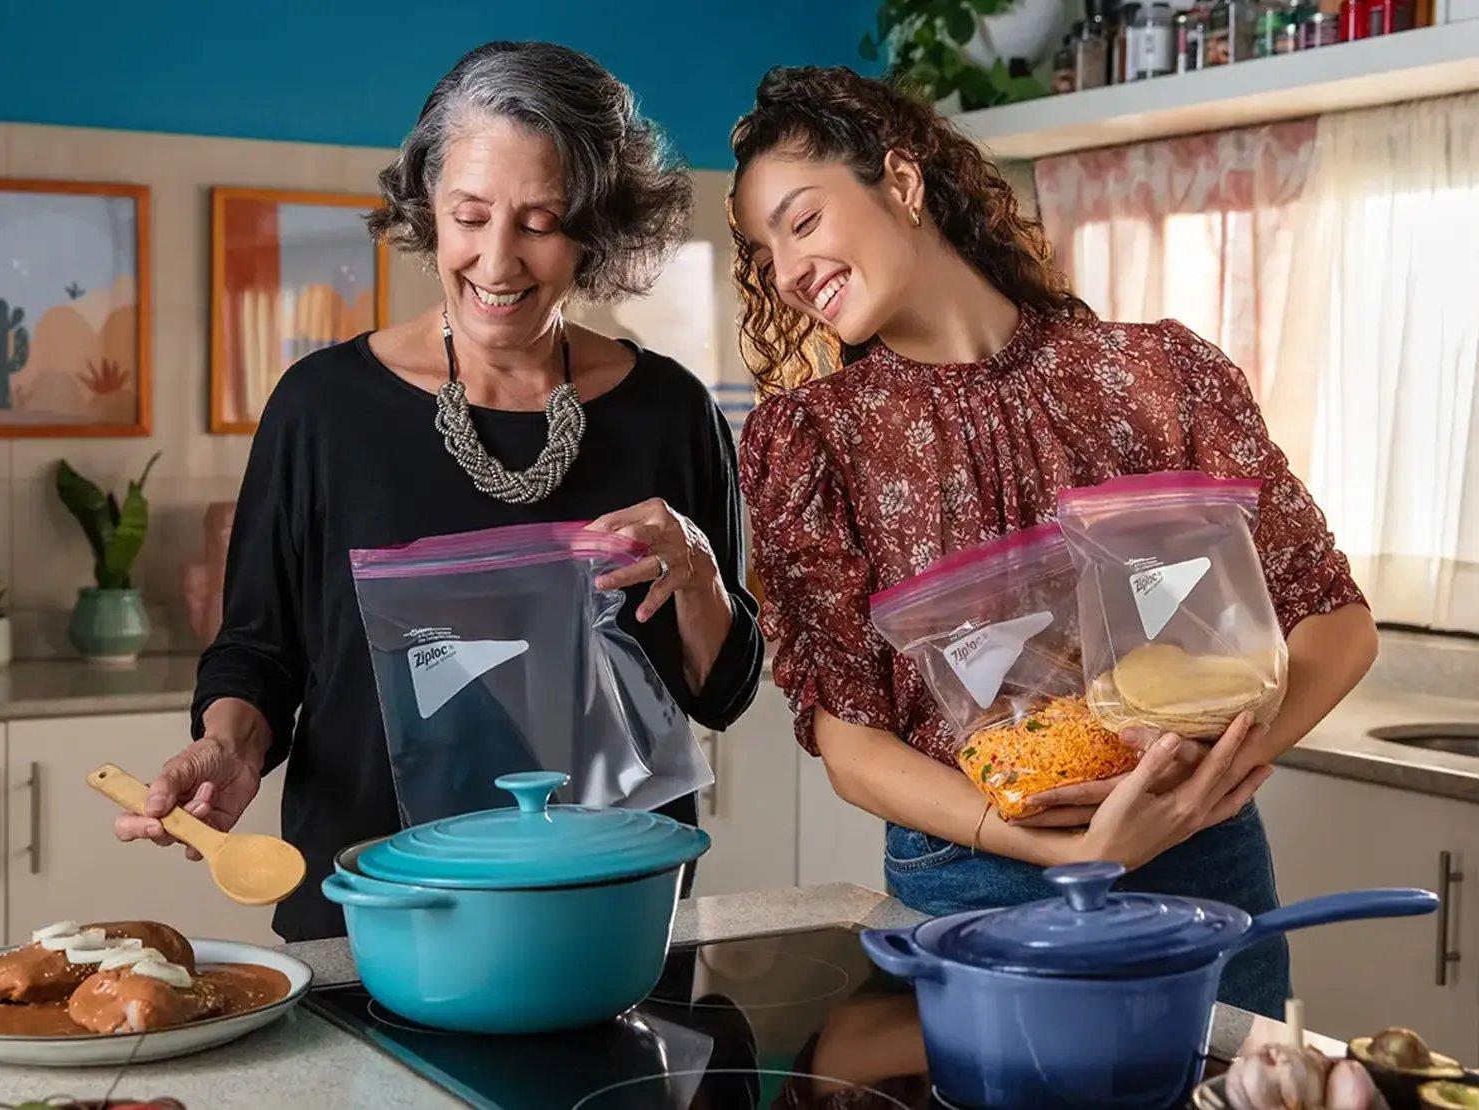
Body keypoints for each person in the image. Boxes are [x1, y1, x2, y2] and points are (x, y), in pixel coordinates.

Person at [730, 66, 1376, 1017]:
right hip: (974, 879)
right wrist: (1055, 846)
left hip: (1203, 870)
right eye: (765, 251)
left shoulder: (1160, 373)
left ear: (902, 184)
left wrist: (1199, 786)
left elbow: (1335, 623)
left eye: (802, 222)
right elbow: (848, 740)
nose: (787, 271)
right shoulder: (810, 442)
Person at [112, 41, 763, 941]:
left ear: (595, 226)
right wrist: (230, 747)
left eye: (540, 222)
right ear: (427, 209)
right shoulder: (323, 407)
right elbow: (259, 651)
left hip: (609, 913)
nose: (498, 262)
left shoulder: (670, 411)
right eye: (470, 216)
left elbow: (720, 691)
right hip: (375, 911)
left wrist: (697, 573)